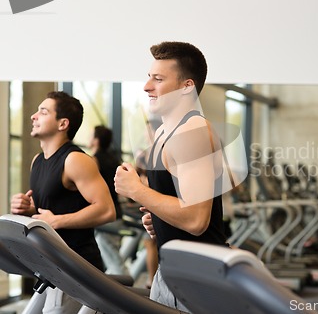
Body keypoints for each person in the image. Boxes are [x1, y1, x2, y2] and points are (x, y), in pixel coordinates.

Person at [114, 41, 227, 312]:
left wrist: (138, 191)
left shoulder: (193, 131)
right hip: (173, 269)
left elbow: (196, 219)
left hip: (196, 277)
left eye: (158, 79)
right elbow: (181, 205)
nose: (146, 86)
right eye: (149, 77)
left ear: (187, 86)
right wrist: (160, 217)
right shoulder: (166, 132)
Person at [10, 91, 116, 314]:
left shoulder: (75, 160)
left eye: (43, 111)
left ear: (63, 124)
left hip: (76, 267)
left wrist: (55, 221)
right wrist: (29, 210)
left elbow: (106, 210)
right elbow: (48, 212)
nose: (33, 116)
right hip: (49, 264)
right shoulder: (37, 161)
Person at [90, 125, 129, 275]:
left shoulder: (94, 160)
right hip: (117, 213)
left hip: (105, 217)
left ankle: (126, 295)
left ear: (96, 140)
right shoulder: (114, 159)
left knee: (115, 264)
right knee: (113, 258)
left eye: (91, 136)